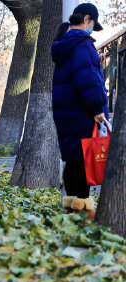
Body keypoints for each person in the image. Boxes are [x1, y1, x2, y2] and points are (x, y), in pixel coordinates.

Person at [51, 3, 108, 218]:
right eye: (92, 24)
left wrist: (96, 61)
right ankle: (83, 213)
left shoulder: (65, 43)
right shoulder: (83, 44)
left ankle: (71, 210)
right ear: (86, 19)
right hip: (81, 113)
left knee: (73, 161)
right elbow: (85, 79)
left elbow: (78, 71)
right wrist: (96, 108)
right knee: (84, 162)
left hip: (67, 113)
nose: (92, 28)